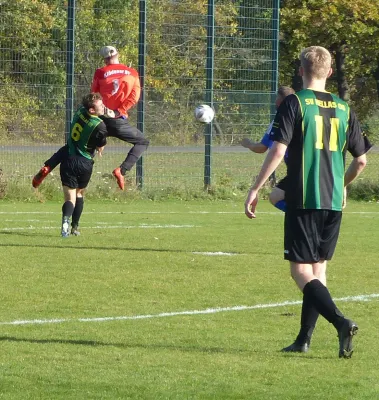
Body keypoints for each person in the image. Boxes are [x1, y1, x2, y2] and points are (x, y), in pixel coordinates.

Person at [244, 46, 372, 358]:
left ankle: (341, 322)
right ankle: (303, 339)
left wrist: (255, 188)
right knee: (318, 271)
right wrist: (342, 185)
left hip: (303, 196)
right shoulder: (344, 108)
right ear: (329, 72)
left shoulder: (295, 102)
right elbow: (362, 161)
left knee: (300, 273)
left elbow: (276, 151)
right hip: (332, 201)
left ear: (301, 72)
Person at [32, 45, 149, 191]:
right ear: (118, 55)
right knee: (142, 142)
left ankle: (48, 167)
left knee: (74, 148)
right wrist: (120, 110)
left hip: (97, 119)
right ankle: (122, 170)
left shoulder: (101, 72)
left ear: (105, 59)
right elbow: (134, 96)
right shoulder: (132, 72)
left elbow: (93, 95)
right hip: (116, 120)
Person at [241, 86, 295, 212]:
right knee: (277, 196)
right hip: (319, 169)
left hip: (298, 170)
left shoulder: (280, 119)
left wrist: (248, 143)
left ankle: (300, 218)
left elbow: (262, 148)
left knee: (276, 197)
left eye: (277, 98)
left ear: (280, 101)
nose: (275, 101)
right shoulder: (303, 114)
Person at [60, 93, 107, 237]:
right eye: (100, 105)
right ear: (92, 110)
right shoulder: (99, 126)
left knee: (69, 198)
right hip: (84, 163)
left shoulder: (80, 111)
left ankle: (65, 224)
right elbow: (101, 145)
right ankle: (75, 228)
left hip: (68, 158)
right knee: (79, 193)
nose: (103, 106)